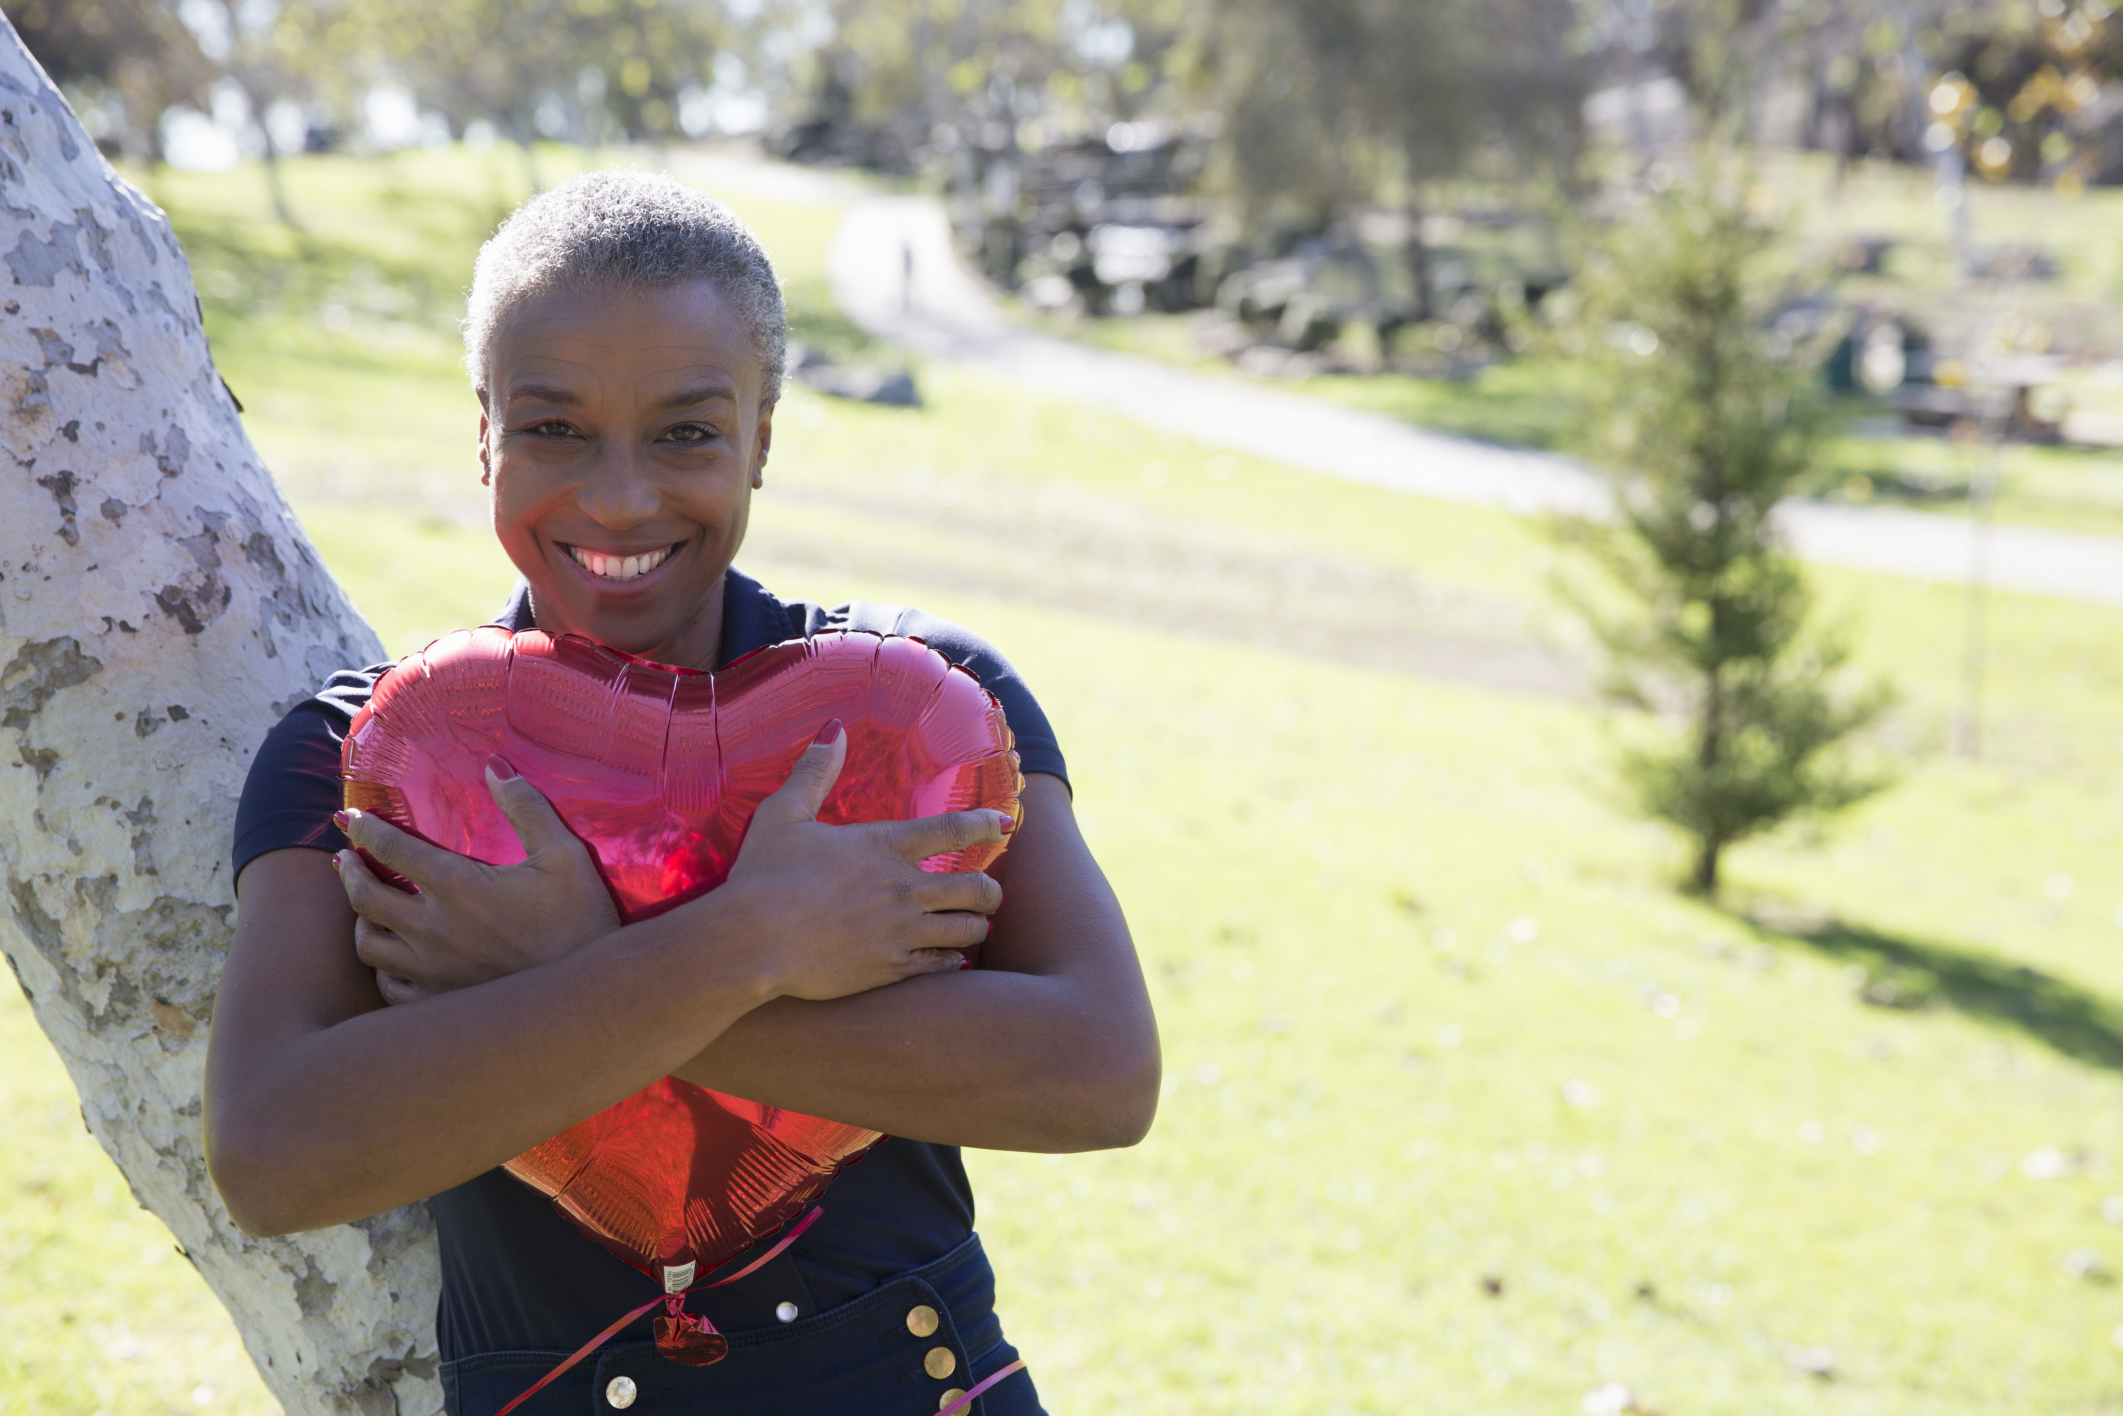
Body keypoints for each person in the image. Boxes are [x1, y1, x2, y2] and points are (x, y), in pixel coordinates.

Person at [204, 170, 1160, 1416]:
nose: (617, 497)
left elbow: (1097, 1073)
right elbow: (277, 1156)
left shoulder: (914, 710)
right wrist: (750, 943)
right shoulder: (379, 754)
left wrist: (573, 973)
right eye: (553, 428)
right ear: (483, 427)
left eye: (686, 432)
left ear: (762, 435)